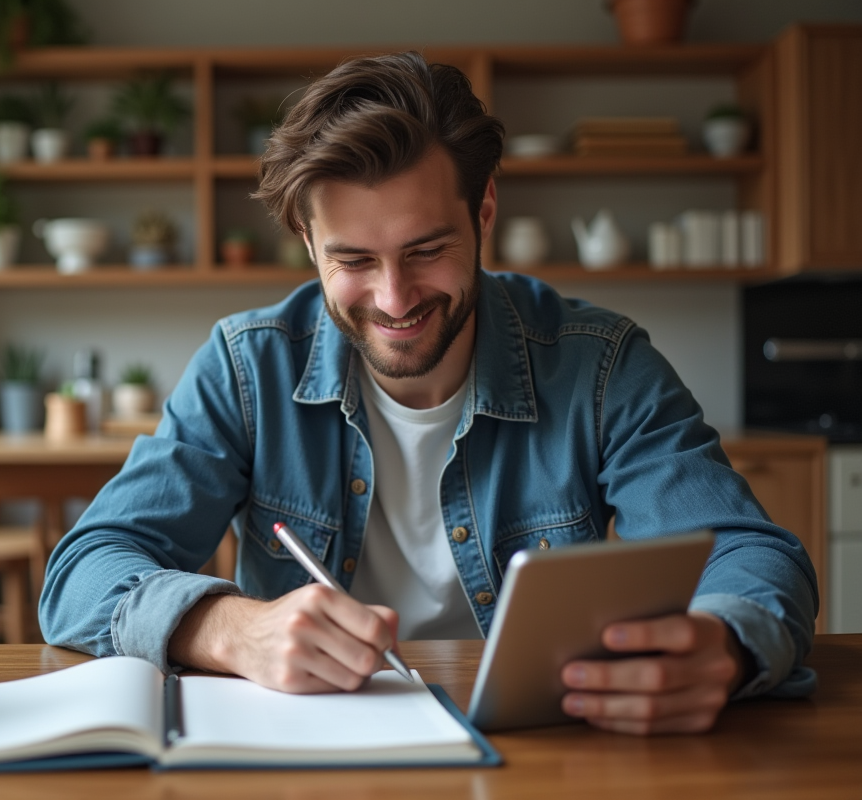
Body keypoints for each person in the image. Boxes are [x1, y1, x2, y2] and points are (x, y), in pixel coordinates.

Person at [39, 52, 817, 736]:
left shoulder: (600, 364)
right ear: (307, 245)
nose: (393, 297)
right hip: (302, 752)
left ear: (483, 215)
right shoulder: (247, 368)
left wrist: (723, 644)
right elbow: (83, 571)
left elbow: (752, 552)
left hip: (540, 751)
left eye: (427, 250)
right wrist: (227, 629)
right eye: (352, 258)